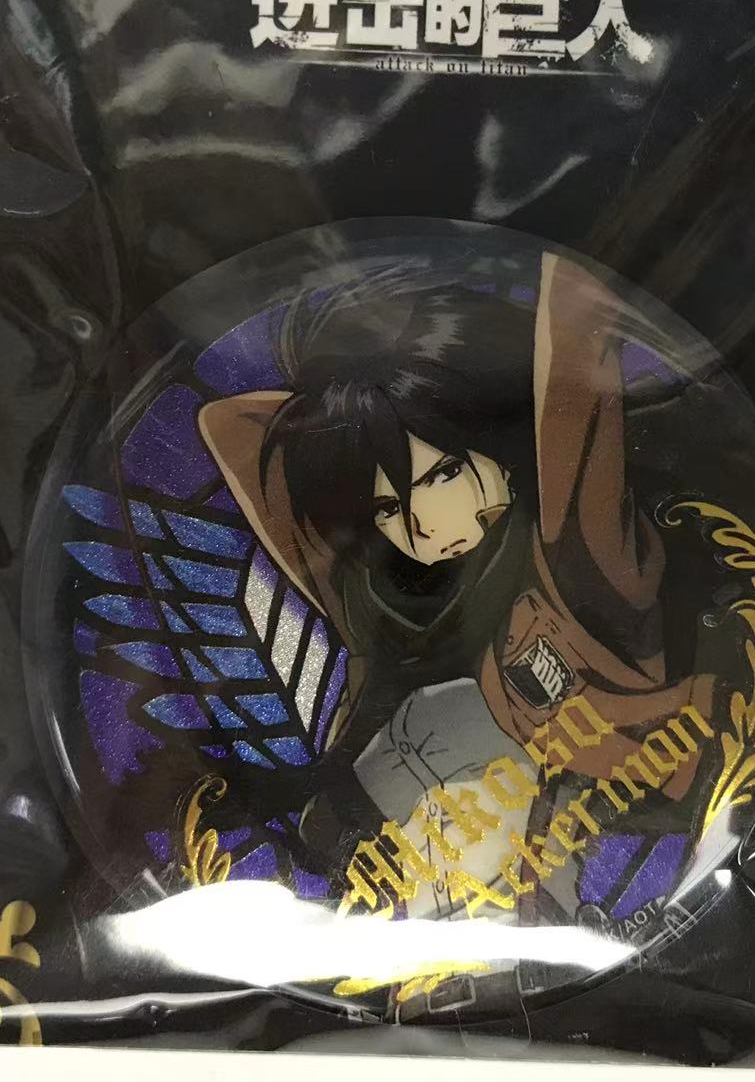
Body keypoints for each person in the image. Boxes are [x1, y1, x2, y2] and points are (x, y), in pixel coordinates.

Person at [198, 250, 712, 909]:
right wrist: (344, 409)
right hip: (440, 808)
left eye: (442, 475)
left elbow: (576, 341)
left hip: (629, 792)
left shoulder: (575, 554)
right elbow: (233, 430)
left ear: (500, 448)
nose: (423, 525)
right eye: (388, 509)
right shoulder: (373, 603)